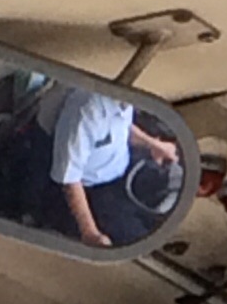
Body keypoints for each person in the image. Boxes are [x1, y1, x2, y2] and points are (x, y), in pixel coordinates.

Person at [45, 88, 179, 247]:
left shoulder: (123, 99)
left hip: (121, 171)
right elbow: (69, 177)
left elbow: (121, 127)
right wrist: (90, 233)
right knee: (138, 238)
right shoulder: (85, 113)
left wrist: (155, 145)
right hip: (91, 191)